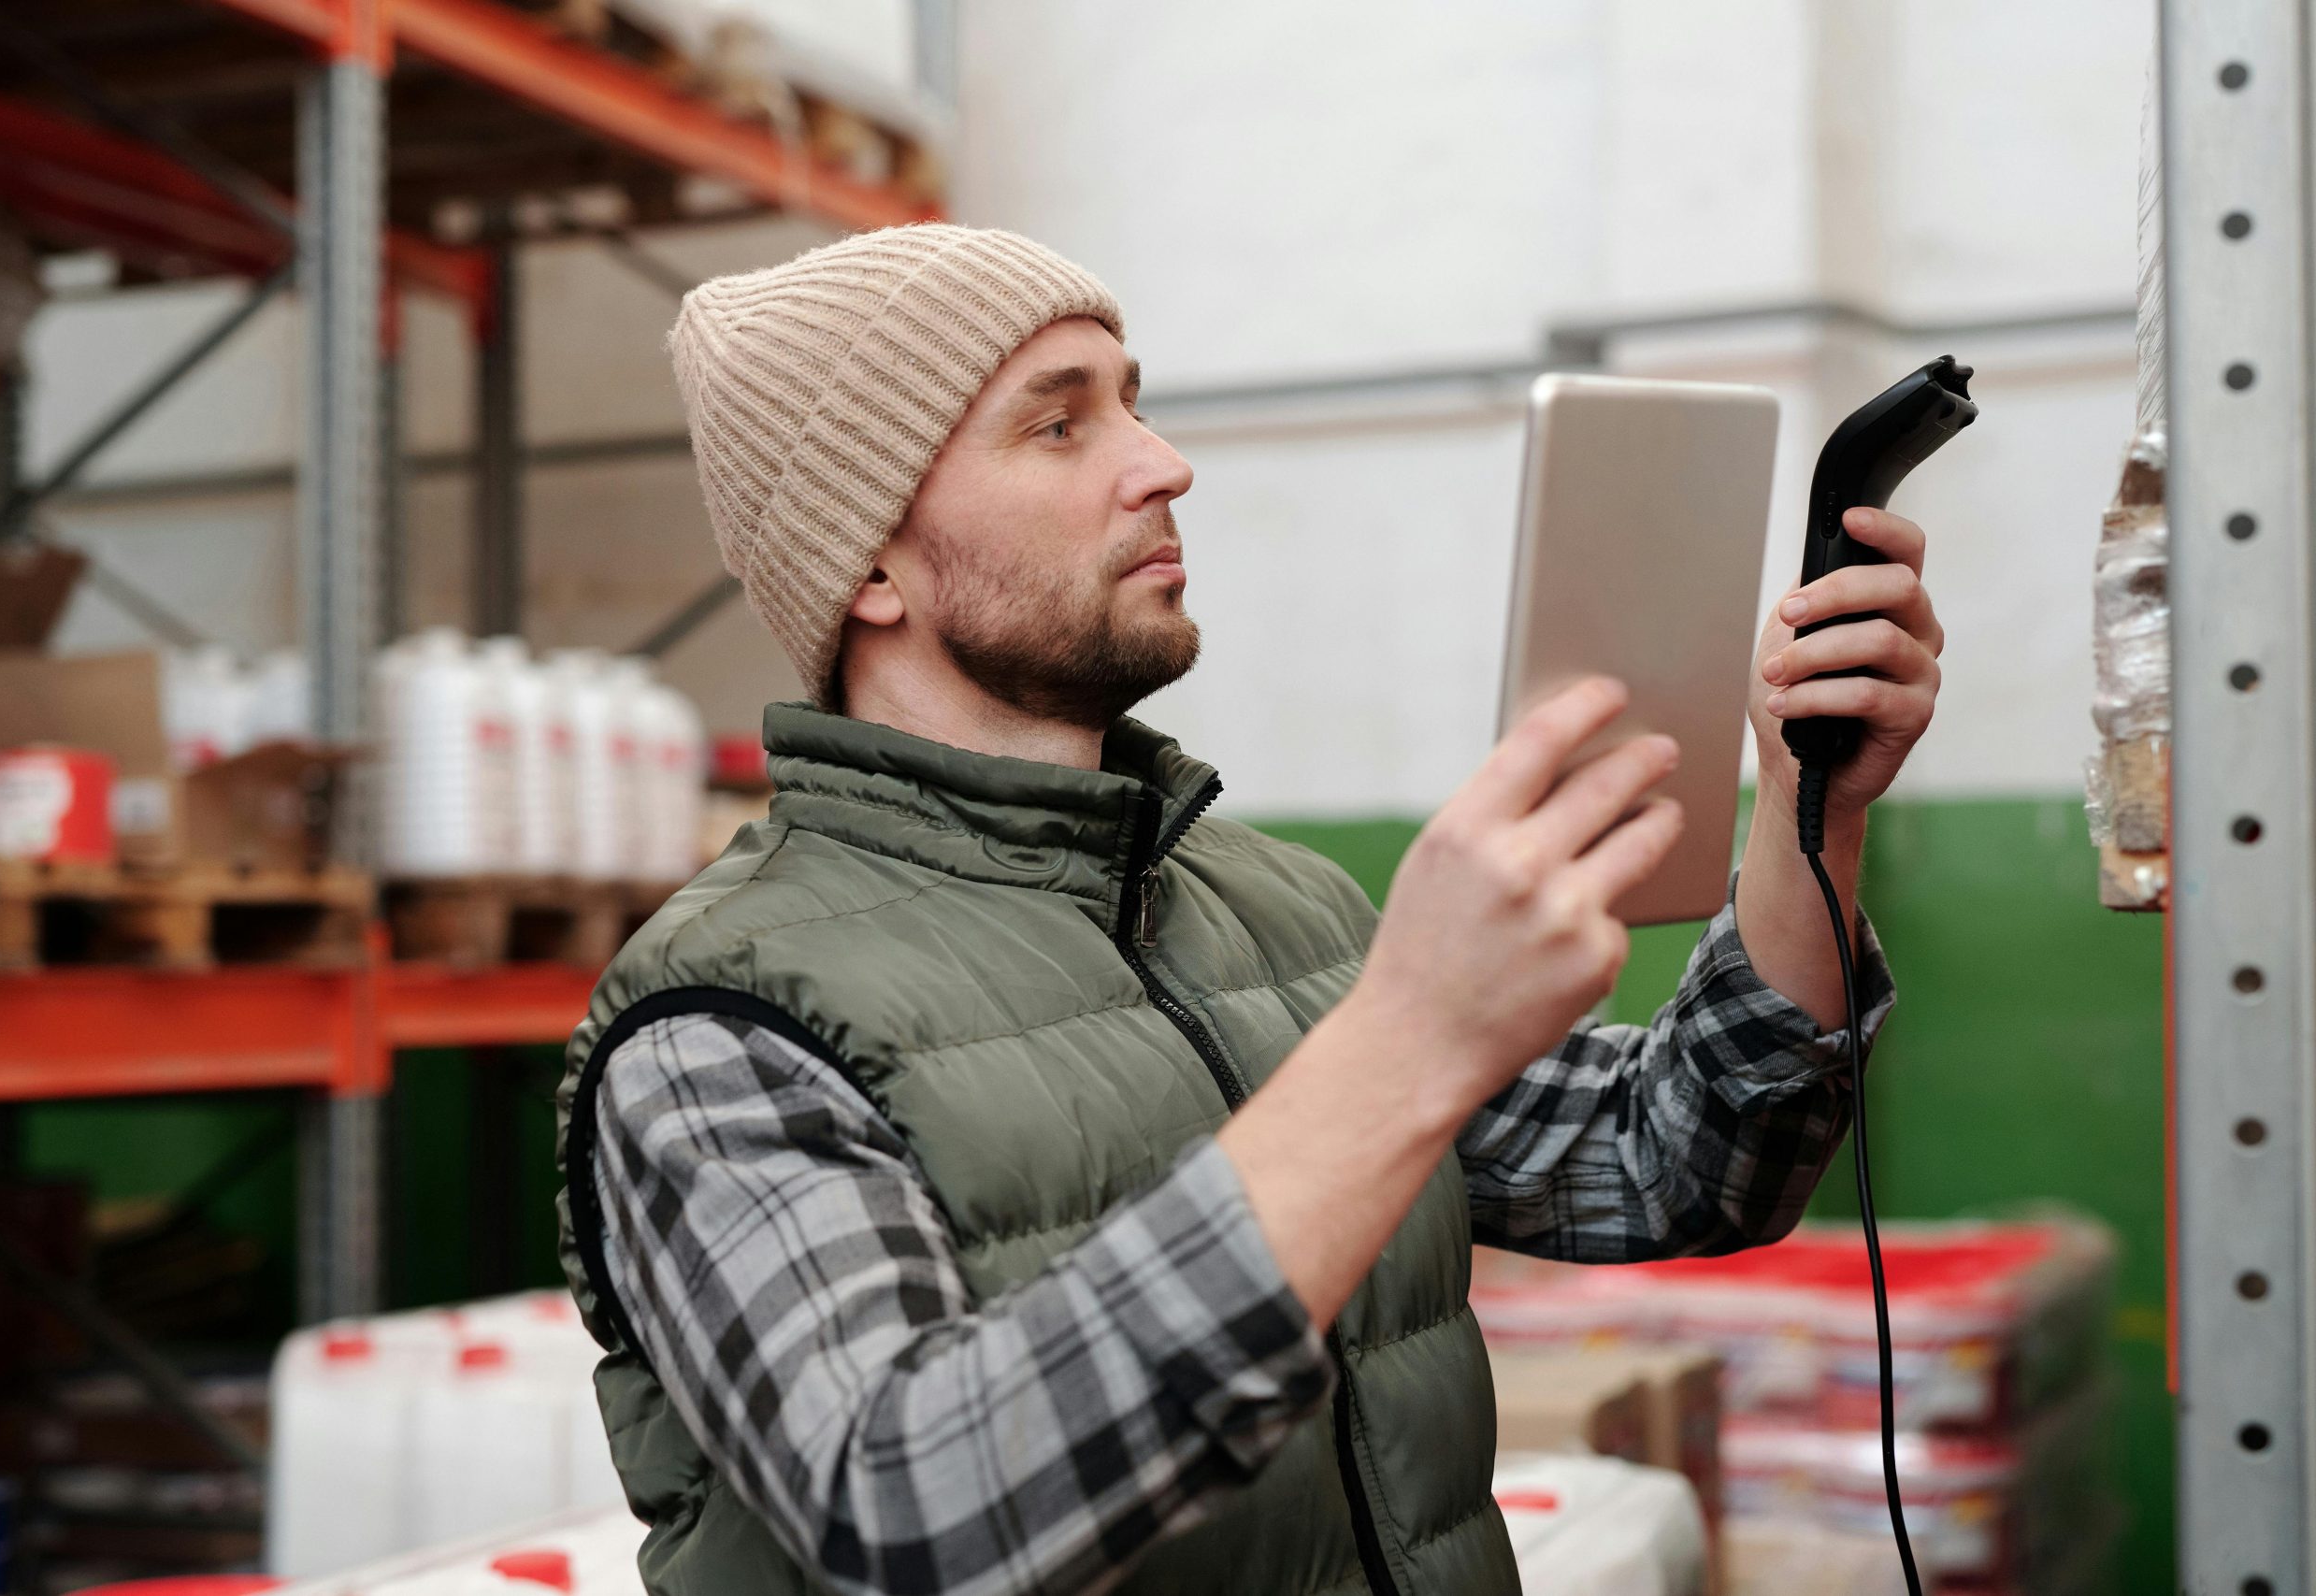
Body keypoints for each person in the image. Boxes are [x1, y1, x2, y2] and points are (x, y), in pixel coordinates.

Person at [553, 224, 1938, 1596]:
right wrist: (1404, 1039)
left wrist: (1813, 807)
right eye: (1057, 427)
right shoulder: (716, 1024)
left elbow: (1680, 1164)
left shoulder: (1282, 914)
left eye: (1135, 408)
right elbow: (925, 1522)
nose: (1163, 466)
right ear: (869, 569)